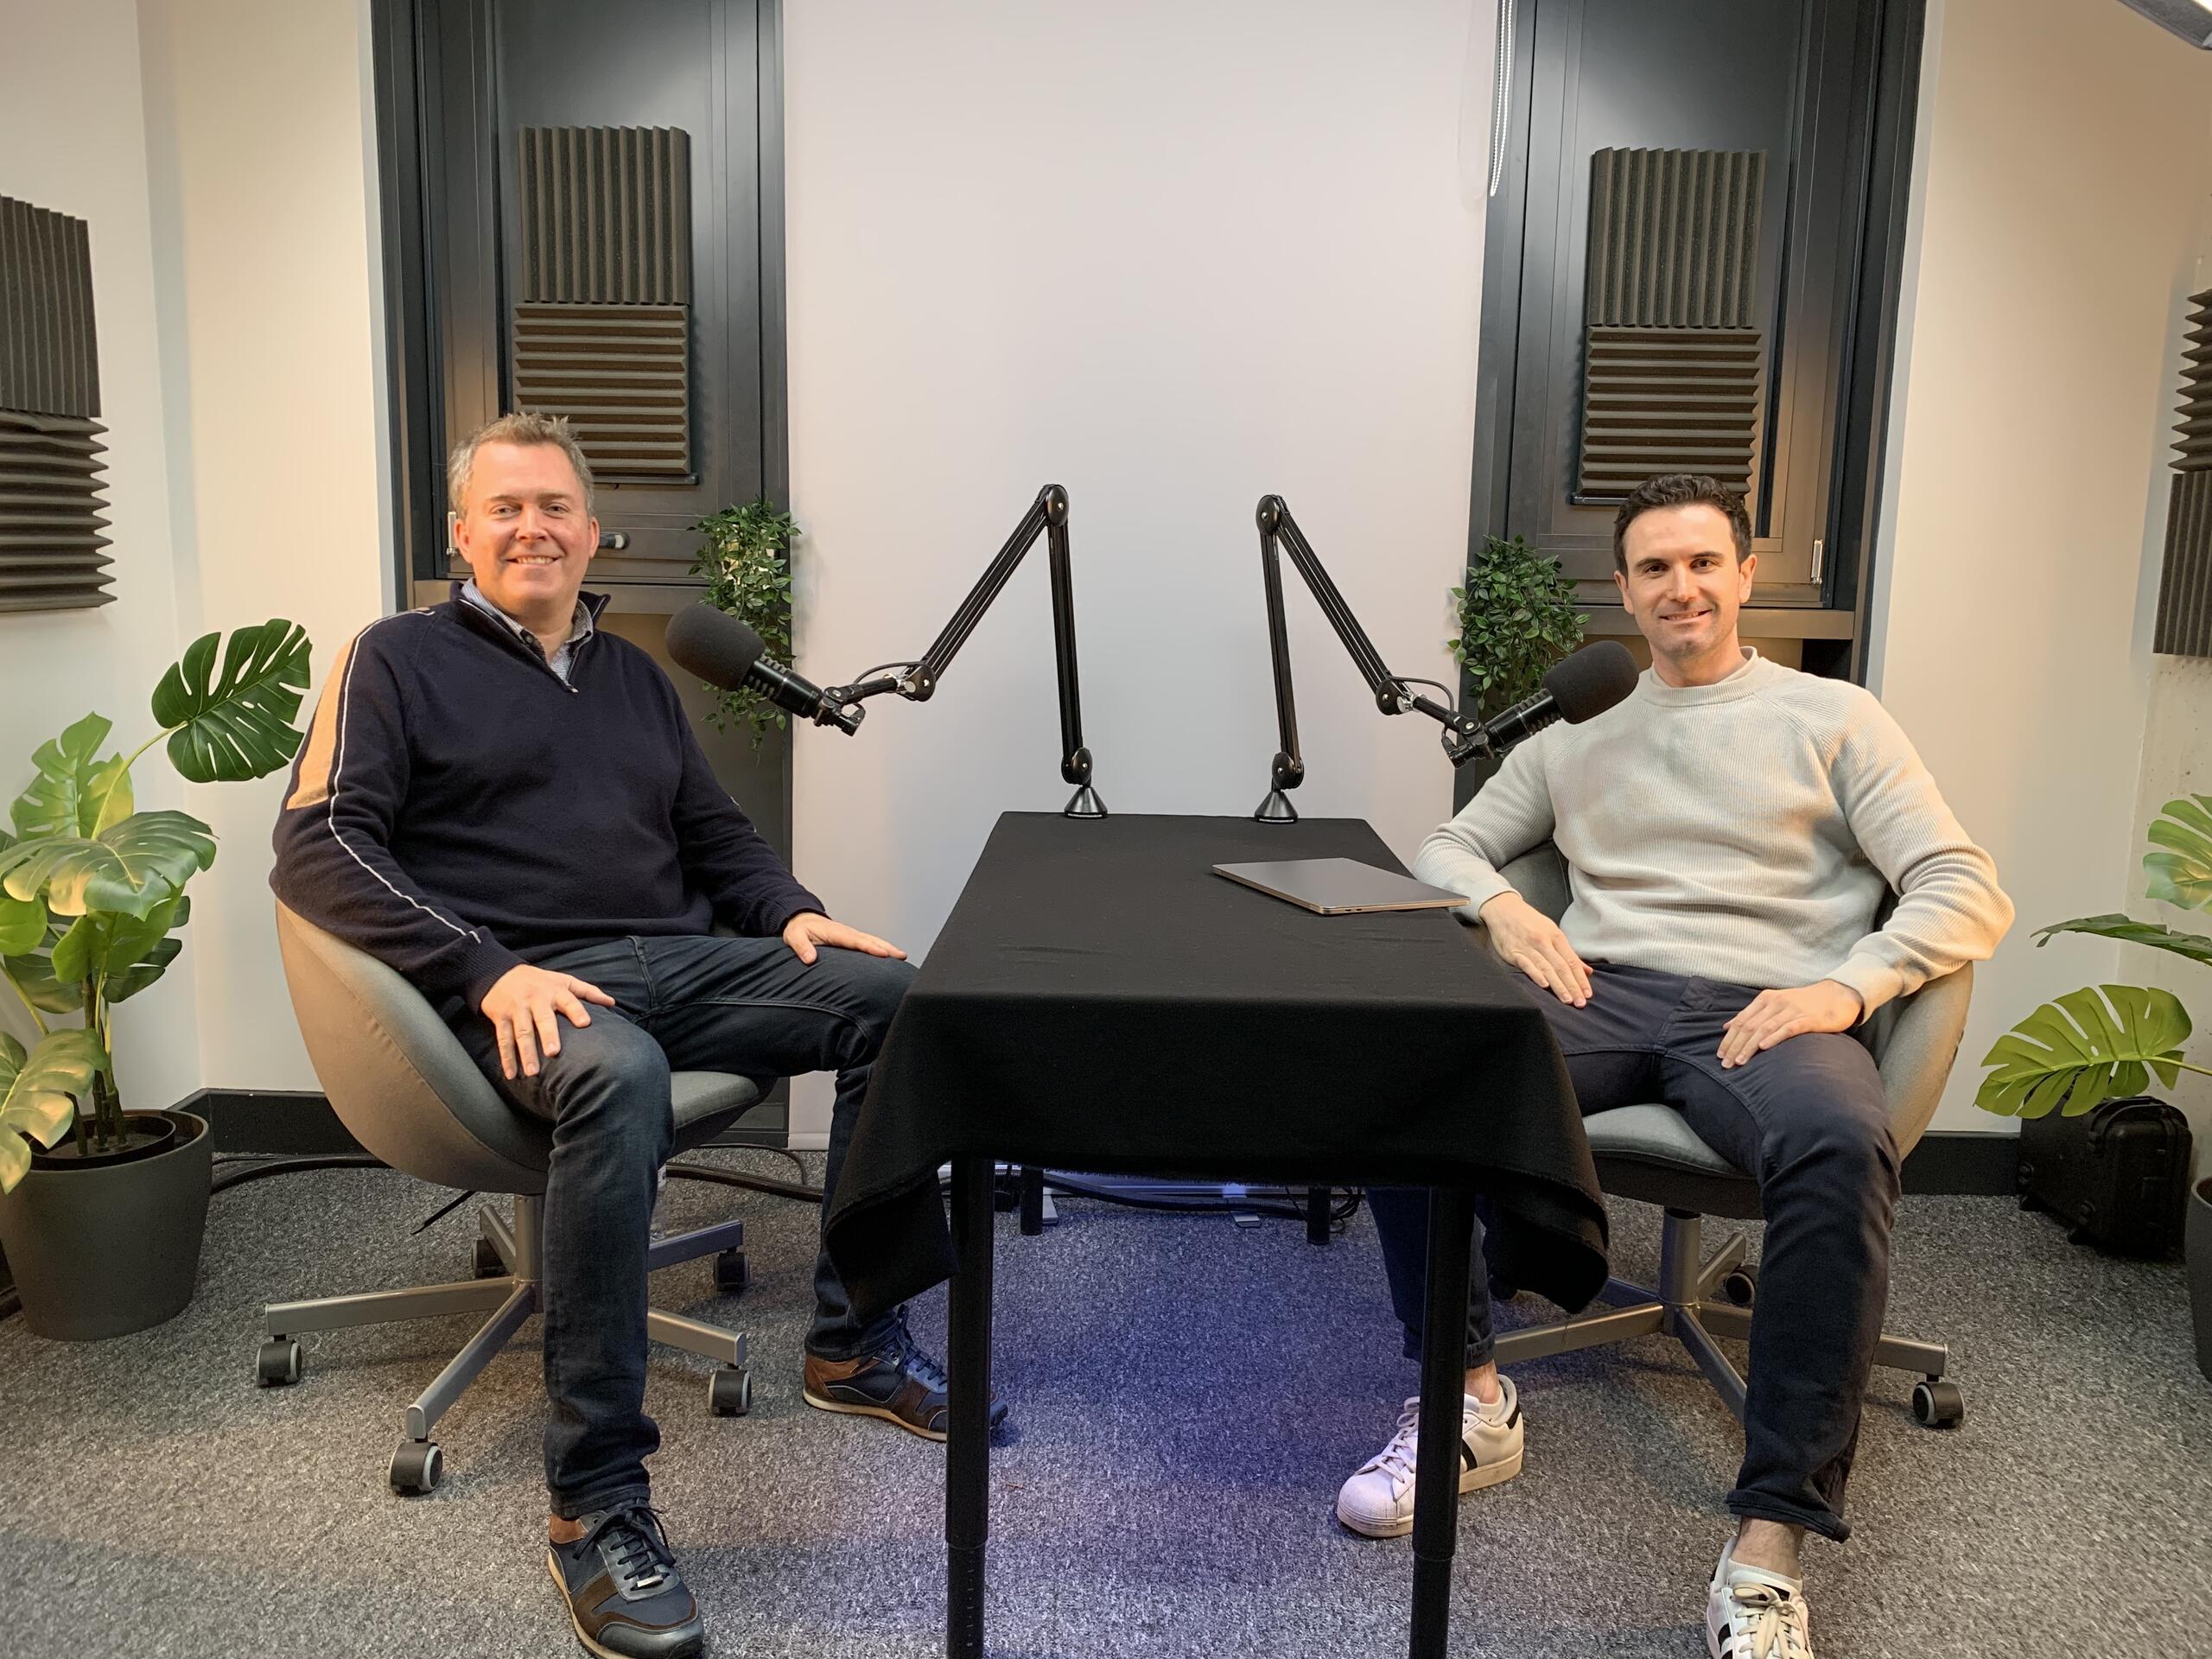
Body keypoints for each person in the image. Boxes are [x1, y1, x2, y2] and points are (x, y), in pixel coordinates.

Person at [271, 411, 999, 1659]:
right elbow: (320, 842)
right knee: (622, 1072)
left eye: (553, 506)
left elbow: (713, 835)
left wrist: (792, 914)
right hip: (520, 984)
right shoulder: (393, 658)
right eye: (504, 509)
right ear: (460, 535)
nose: (532, 528)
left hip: (674, 959)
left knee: (903, 1002)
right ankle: (595, 1502)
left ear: (592, 530)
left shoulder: (634, 675)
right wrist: (485, 969)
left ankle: (852, 1343)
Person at [1337, 474, 2012, 1659]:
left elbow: (1963, 882)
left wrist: (1846, 988)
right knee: (1406, 1078)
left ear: (1745, 576)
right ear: (1626, 590)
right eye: (1655, 567)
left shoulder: (1834, 716)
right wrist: (1506, 909)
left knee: (1838, 1144)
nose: (1681, 587)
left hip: (1775, 1004)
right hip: (1604, 989)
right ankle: (1473, 1397)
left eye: (1704, 563)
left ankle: (1771, 1539)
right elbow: (1444, 847)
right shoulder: (1577, 732)